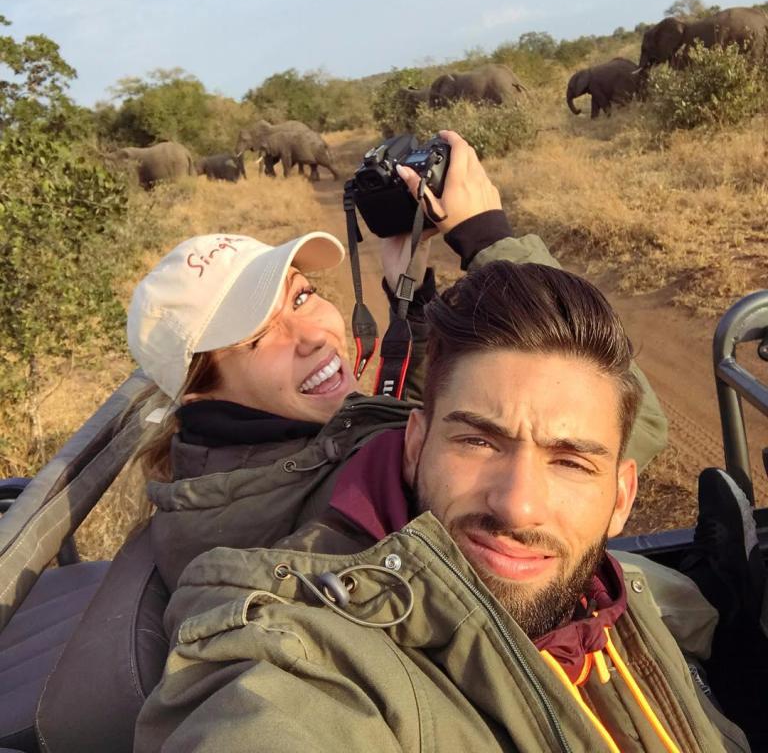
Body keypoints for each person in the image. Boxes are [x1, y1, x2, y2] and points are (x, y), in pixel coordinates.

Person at [134, 259, 750, 753]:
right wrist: (487, 236)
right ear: (415, 446)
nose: (519, 505)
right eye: (478, 440)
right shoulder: (301, 643)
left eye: (571, 460)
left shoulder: (334, 432)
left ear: (622, 497)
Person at [126, 132, 668, 592]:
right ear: (200, 392)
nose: (314, 334)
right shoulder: (329, 503)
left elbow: (395, 426)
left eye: (301, 296)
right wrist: (489, 240)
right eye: (255, 339)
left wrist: (414, 297)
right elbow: (633, 427)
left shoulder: (251, 465)